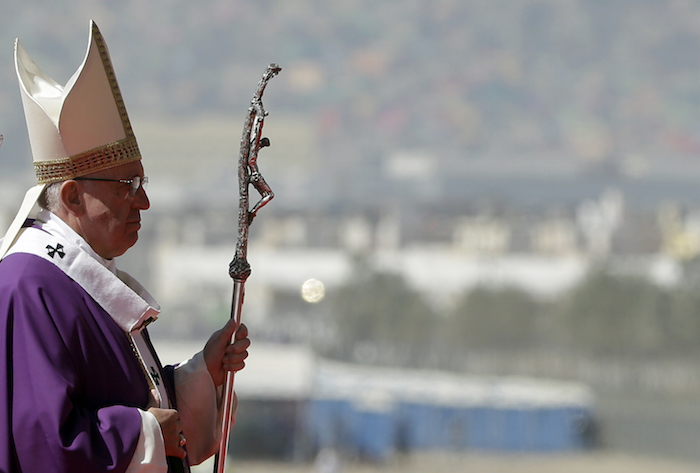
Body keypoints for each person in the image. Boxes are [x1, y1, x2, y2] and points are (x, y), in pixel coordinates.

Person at [0, 20, 250, 473]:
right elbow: (41, 443)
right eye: (126, 186)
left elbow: (118, 395)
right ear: (74, 195)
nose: (145, 202)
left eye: (143, 182)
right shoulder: (29, 286)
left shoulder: (80, 277)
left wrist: (197, 377)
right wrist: (144, 433)